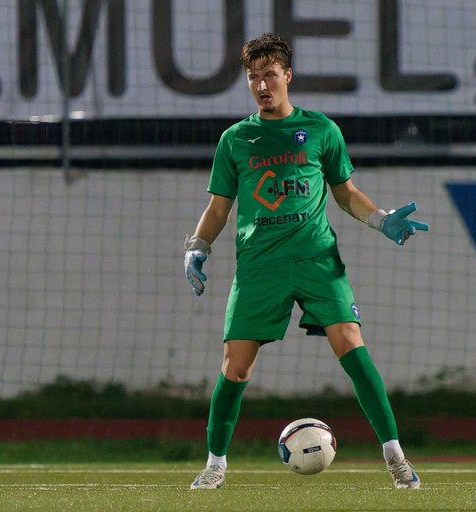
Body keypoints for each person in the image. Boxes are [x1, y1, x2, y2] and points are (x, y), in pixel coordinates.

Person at [183, 33, 429, 490]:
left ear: (287, 76)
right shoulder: (236, 139)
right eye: (253, 78)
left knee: (351, 344)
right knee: (235, 366)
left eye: (269, 75)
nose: (261, 85)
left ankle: (396, 458)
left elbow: (346, 194)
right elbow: (219, 207)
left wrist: (381, 220)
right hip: (259, 265)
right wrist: (197, 245)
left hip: (317, 259)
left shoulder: (321, 130)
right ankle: (215, 463)